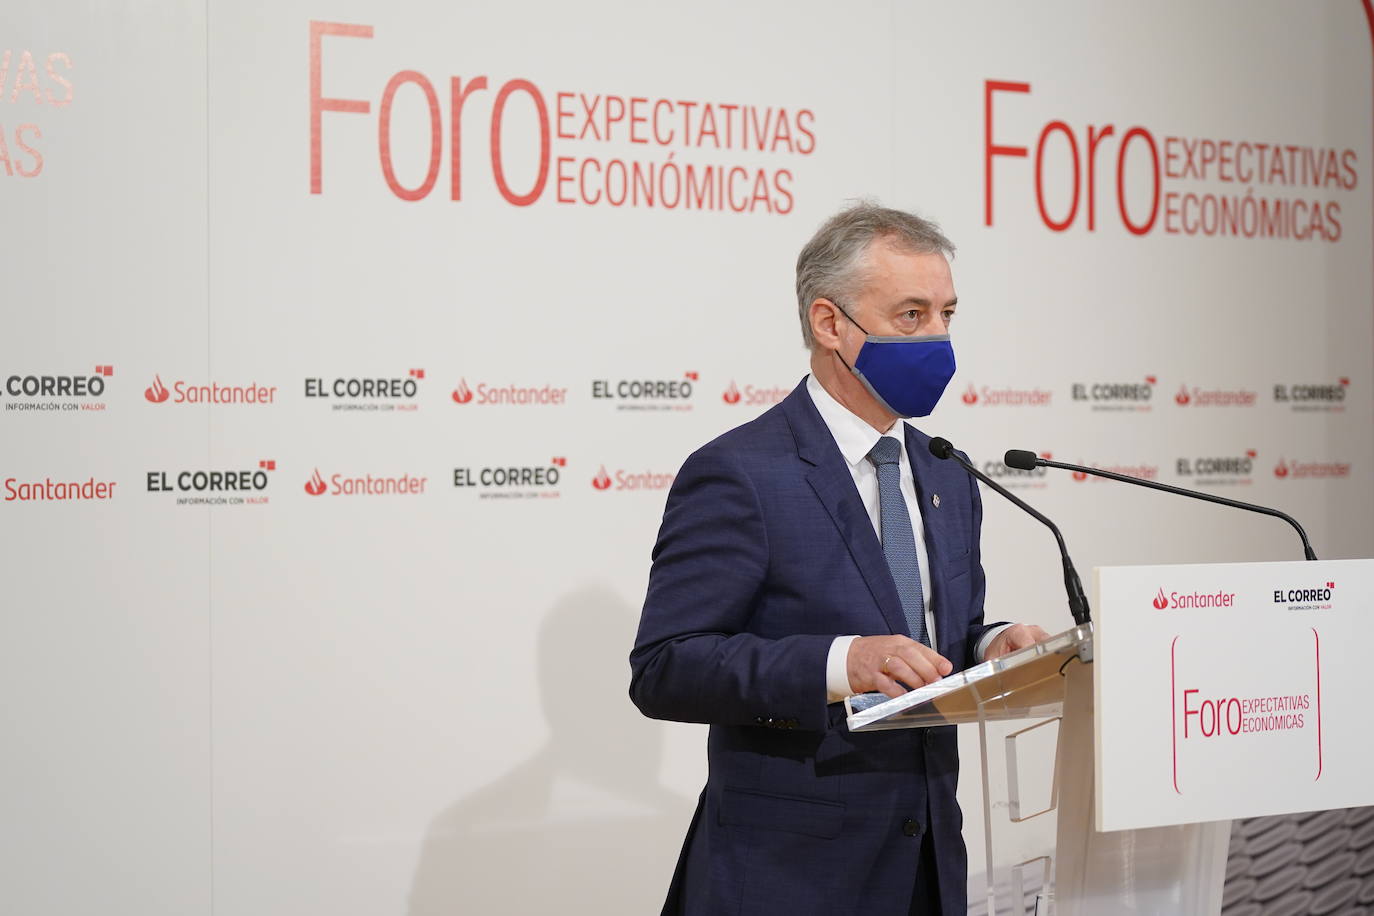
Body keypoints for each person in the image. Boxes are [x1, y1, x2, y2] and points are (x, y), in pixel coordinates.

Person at [628, 202, 1050, 915]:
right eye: (911, 315)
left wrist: (991, 645)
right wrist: (837, 664)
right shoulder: (742, 472)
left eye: (947, 313)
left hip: (927, 868)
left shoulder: (946, 472)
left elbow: (933, 640)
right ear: (830, 325)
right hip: (786, 878)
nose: (939, 338)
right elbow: (666, 667)